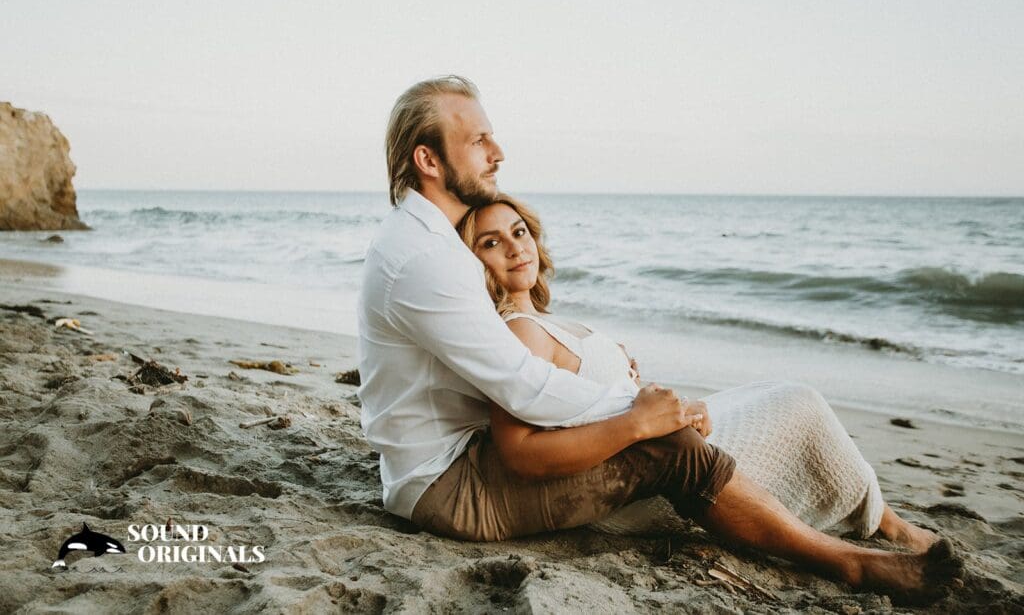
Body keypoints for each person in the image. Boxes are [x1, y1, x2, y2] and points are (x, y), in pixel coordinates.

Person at [357, 75, 960, 604]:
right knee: (672, 448)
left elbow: (512, 371)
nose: (498, 152)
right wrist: (642, 412)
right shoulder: (425, 260)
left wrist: (633, 397)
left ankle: (859, 530)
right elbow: (522, 385)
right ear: (428, 160)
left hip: (446, 462)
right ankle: (850, 563)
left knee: (672, 431)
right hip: (448, 485)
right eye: (479, 140)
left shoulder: (432, 246)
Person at [456, 193, 940, 552]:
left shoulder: (541, 321)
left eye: (519, 232)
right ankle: (886, 525)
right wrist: (641, 417)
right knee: (800, 403)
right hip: (640, 485)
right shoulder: (520, 333)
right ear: (471, 263)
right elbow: (522, 450)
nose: (515, 248)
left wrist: (656, 401)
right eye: (491, 243)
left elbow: (584, 402)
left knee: (775, 391)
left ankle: (874, 514)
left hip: (658, 447)